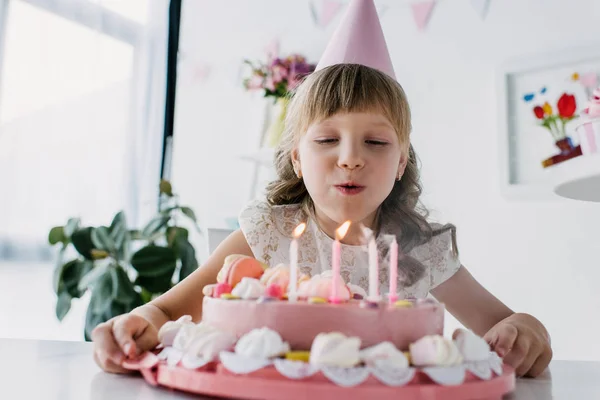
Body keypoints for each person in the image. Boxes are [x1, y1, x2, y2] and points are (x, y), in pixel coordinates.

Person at [92, 0, 552, 378]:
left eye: (375, 142)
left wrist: (527, 332)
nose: (350, 157)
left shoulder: (418, 250)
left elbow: (508, 325)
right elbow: (168, 310)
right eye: (328, 140)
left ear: (401, 163)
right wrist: (138, 323)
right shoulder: (269, 232)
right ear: (296, 156)